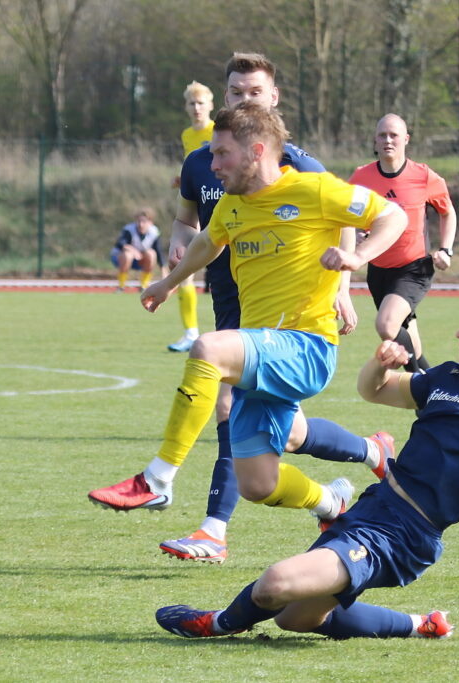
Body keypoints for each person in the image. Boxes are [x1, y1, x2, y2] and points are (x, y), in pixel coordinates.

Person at [154, 284, 459, 641]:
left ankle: (215, 623)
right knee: (293, 619)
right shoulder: (444, 377)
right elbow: (373, 391)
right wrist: (381, 362)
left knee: (276, 585)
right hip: (375, 508)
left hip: (408, 534)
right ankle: (422, 623)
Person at [89, 53, 400, 565]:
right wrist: (168, 283)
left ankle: (157, 478)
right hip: (261, 343)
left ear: (257, 151)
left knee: (208, 349)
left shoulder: (313, 185)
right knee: (259, 482)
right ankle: (332, 499)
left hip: (305, 345)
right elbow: (206, 245)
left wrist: (355, 261)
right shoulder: (233, 203)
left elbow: (389, 215)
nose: (213, 166)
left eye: (222, 155)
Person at [348, 114, 457, 372]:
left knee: (387, 326)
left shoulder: (423, 176)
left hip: (414, 268)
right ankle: (432, 392)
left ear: (405, 139)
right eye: (382, 135)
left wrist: (446, 249)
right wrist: (356, 235)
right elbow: (345, 218)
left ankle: (424, 388)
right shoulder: (361, 177)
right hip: (378, 271)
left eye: (394, 135)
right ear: (374, 140)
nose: (388, 140)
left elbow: (447, 211)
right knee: (411, 342)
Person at [168, 81, 215, 353]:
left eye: (200, 103)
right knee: (181, 266)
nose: (196, 108)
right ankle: (190, 333)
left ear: (211, 106)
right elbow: (194, 169)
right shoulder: (187, 135)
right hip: (196, 209)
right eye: (191, 104)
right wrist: (182, 178)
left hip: (220, 207)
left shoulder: (218, 131)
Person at [111, 207, 164, 292]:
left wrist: (163, 269)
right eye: (139, 221)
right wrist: (132, 250)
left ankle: (143, 286)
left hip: (141, 261)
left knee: (151, 254)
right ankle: (121, 286)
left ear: (151, 222)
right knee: (128, 255)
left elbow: (158, 251)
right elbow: (120, 244)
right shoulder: (129, 229)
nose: (140, 224)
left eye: (144, 221)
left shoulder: (154, 232)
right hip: (120, 259)